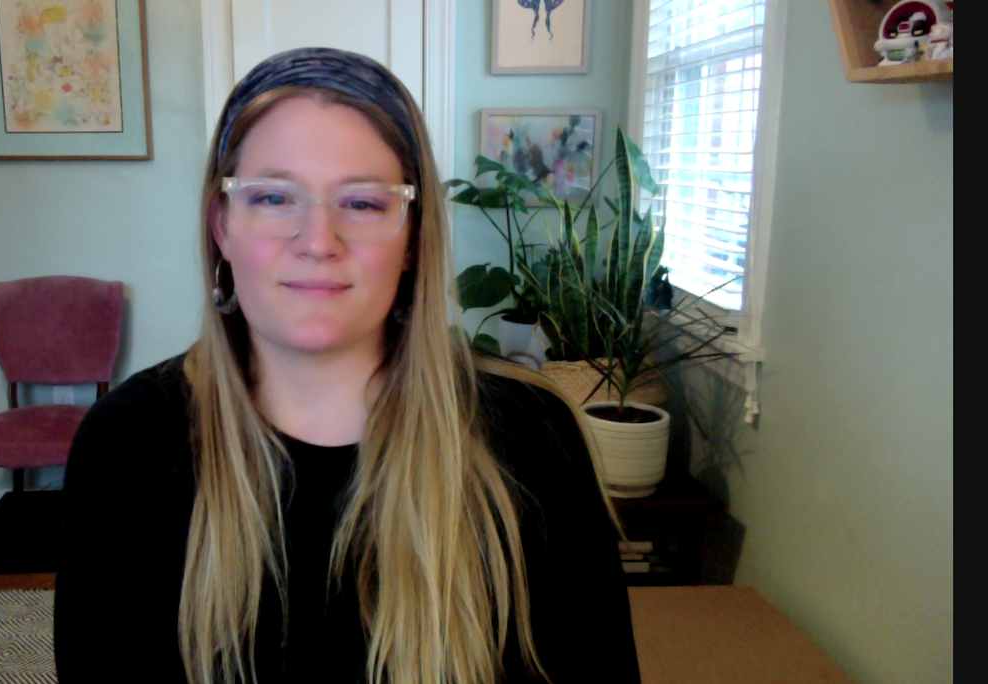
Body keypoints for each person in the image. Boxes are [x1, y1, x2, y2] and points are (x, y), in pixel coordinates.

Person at [55, 47, 639, 684]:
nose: (317, 241)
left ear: (413, 236)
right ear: (221, 225)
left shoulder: (532, 438)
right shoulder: (127, 444)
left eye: (362, 204)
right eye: (274, 197)